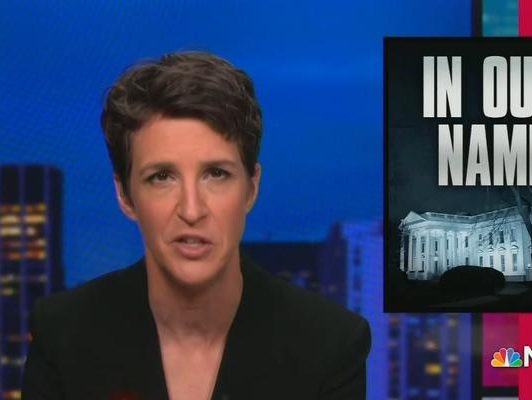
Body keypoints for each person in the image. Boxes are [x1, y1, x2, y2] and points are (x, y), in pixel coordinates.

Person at [22, 52, 371, 400]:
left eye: (216, 174)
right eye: (162, 177)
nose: (191, 210)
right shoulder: (62, 335)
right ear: (125, 196)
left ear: (251, 188)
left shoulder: (330, 345)